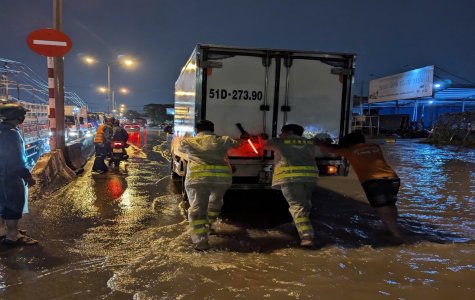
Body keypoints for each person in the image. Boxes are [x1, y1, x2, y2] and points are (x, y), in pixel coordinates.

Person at [319, 131, 402, 239]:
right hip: (393, 179)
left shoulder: (350, 151)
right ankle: (391, 228)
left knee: (382, 208)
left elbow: (330, 150)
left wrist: (319, 143)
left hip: (374, 181)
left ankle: (396, 236)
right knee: (390, 204)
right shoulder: (375, 146)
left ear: (349, 143)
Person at [178, 120, 242, 251]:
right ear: (212, 129)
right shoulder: (223, 140)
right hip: (221, 180)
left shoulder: (189, 141)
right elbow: (238, 143)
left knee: (197, 210)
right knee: (215, 203)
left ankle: (201, 243)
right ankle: (209, 224)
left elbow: (180, 148)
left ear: (197, 130)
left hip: (198, 179)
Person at [265, 124, 318, 247]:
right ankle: (299, 223)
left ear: (289, 131)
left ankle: (307, 237)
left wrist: (265, 137)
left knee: (296, 205)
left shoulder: (281, 141)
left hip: (291, 177)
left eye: (282, 132)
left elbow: (266, 145)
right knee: (305, 202)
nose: (280, 134)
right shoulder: (309, 142)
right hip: (310, 177)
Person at [0, 103, 38, 246]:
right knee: (13, 206)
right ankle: (13, 236)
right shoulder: (11, 134)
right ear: (15, 116)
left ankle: (3, 231)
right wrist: (27, 176)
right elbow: (16, 159)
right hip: (9, 176)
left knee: (2, 205)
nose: (24, 117)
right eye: (22, 114)